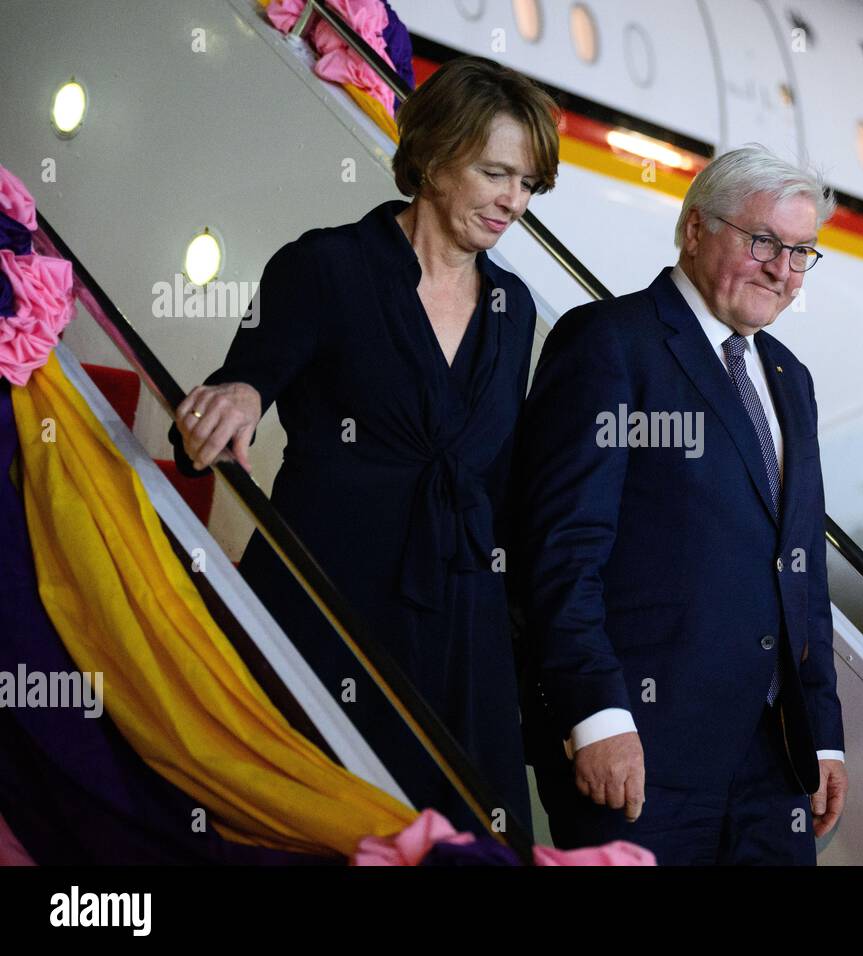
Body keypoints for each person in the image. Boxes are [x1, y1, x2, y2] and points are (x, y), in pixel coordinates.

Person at [170, 56, 558, 834]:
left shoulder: (513, 307)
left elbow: (501, 477)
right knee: (309, 828)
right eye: (497, 173)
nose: (514, 201)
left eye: (529, 185)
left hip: (462, 620)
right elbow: (243, 382)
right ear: (436, 153)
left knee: (464, 838)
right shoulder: (326, 266)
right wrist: (237, 395)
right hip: (330, 595)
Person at [513, 145, 848, 865]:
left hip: (772, 765)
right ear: (695, 229)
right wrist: (595, 716)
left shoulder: (791, 379)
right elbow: (560, 552)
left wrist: (819, 732)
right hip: (639, 752)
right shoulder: (610, 343)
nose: (781, 271)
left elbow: (802, 574)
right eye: (763, 242)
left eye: (801, 253)